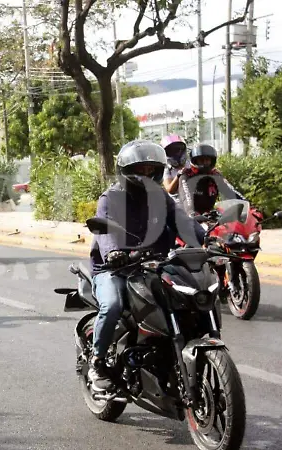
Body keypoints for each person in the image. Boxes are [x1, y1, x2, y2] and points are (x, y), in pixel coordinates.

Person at [88, 140, 206, 392]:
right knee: (113, 306)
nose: (145, 175)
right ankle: (97, 363)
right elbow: (105, 228)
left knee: (187, 295)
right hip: (114, 268)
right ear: (125, 171)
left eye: (150, 170)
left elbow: (183, 222)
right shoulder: (111, 197)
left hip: (153, 264)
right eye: (139, 169)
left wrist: (210, 240)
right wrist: (113, 253)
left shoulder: (160, 196)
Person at [177, 144, 245, 217]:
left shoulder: (216, 175)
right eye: (201, 160)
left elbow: (230, 191)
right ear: (195, 161)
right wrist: (191, 213)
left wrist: (246, 203)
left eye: (207, 160)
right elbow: (186, 197)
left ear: (212, 161)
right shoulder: (186, 176)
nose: (205, 163)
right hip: (185, 218)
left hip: (208, 218)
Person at [160, 134, 189, 200]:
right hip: (176, 204)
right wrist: (179, 175)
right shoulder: (166, 169)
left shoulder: (190, 164)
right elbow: (170, 190)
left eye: (178, 150)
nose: (177, 154)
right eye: (172, 151)